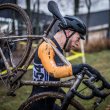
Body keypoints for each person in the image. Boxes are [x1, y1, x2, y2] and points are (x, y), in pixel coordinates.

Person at [29, 16, 109, 110]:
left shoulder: (57, 50)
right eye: (78, 38)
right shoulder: (46, 46)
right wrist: (78, 67)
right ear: (68, 32)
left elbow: (48, 82)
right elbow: (53, 71)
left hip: (48, 104)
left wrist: (104, 82)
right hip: (37, 106)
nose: (77, 44)